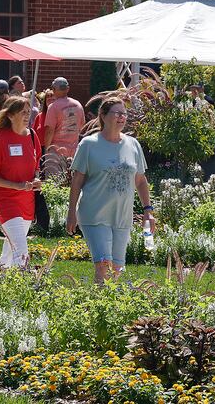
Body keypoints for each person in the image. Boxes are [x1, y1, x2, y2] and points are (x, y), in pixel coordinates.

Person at [66, 97, 154, 284]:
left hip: (122, 217)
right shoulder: (89, 144)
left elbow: (140, 180)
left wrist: (148, 210)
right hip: (94, 215)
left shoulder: (133, 145)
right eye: (117, 113)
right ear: (103, 116)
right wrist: (71, 212)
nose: (122, 117)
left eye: (124, 114)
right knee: (103, 265)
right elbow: (77, 180)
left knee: (116, 269)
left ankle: (105, 301)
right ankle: (100, 300)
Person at [0, 96, 42, 267]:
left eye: (28, 112)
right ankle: (23, 280)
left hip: (27, 202)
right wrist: (16, 186)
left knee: (11, 247)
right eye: (22, 112)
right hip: (6, 201)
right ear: (10, 115)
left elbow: (36, 165)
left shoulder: (32, 136)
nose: (27, 116)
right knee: (21, 250)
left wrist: (36, 178)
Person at [44, 77, 85, 158]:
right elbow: (82, 125)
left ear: (54, 89)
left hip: (56, 151)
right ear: (68, 89)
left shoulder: (53, 107)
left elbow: (49, 131)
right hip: (74, 151)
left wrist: (46, 149)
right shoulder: (78, 104)